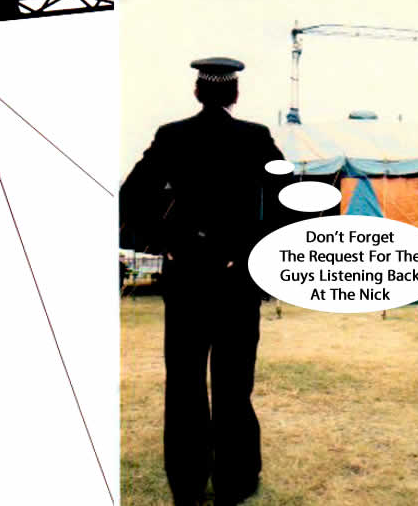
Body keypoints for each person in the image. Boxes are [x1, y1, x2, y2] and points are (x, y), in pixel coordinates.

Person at [120, 57, 288, 506]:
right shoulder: (256, 138)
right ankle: (234, 483)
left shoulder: (171, 136)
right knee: (234, 384)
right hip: (236, 282)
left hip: (186, 278)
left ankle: (188, 484)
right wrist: (250, 251)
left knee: (185, 384)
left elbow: (131, 196)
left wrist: (165, 244)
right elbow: (286, 201)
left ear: (198, 92)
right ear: (234, 95)